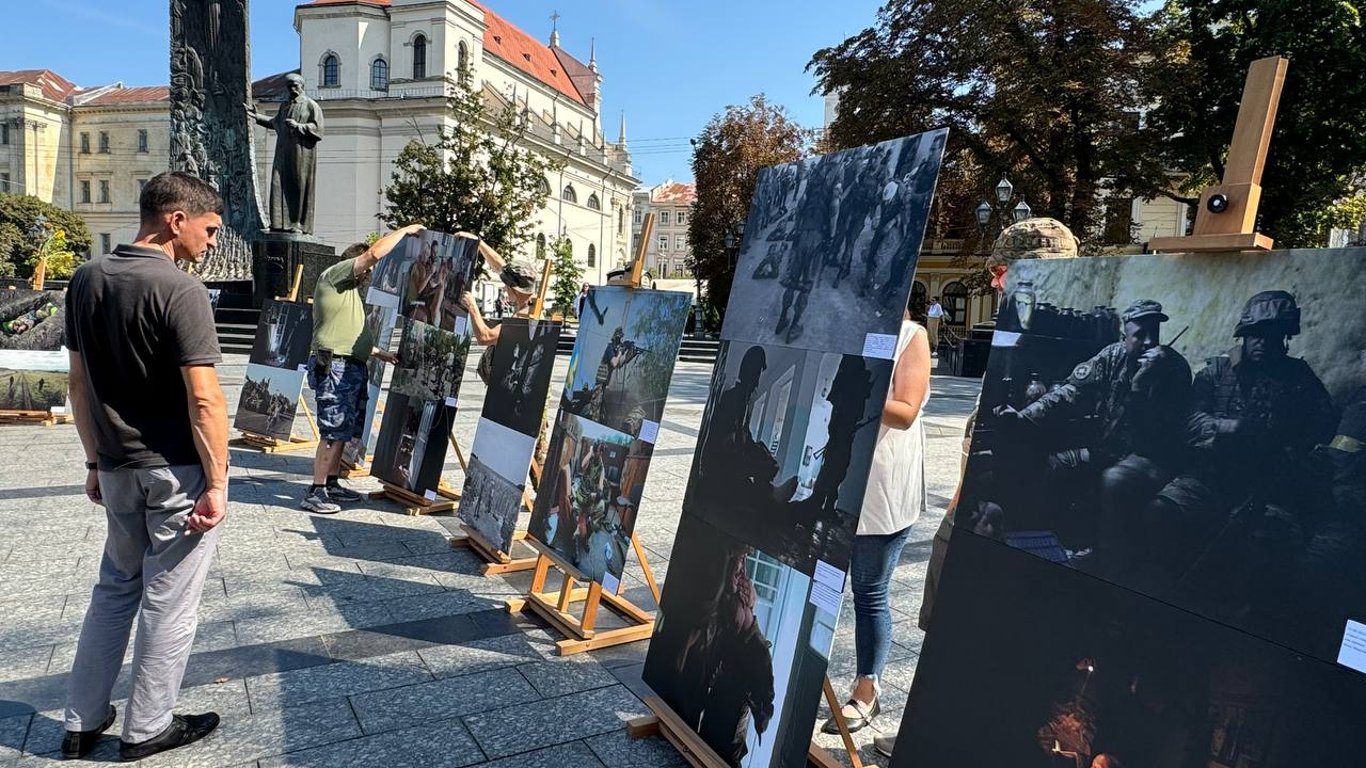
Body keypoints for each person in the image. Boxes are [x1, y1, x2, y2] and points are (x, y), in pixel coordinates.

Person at [873, 217, 1080, 758]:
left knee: (1006, 639)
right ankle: (931, 727)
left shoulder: (1071, 343)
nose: (994, 283)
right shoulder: (1018, 337)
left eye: (1004, 271)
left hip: (1029, 516)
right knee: (946, 628)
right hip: (975, 506)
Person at [60, 172, 229, 761]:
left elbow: (79, 386)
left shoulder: (85, 280)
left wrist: (93, 460)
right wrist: (217, 481)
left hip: (115, 465)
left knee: (113, 589)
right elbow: (204, 398)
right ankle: (147, 726)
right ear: (175, 220)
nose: (212, 243)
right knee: (168, 597)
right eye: (209, 230)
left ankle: (82, 722)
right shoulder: (180, 291)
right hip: (173, 467)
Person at [823, 310, 932, 735]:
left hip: (882, 490)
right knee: (822, 587)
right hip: (839, 479)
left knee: (868, 593)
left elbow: (905, 411)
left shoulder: (912, 335)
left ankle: (867, 690)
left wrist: (858, 397)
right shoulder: (846, 329)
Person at [301, 223, 424, 514]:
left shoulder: (350, 294)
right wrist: (405, 231)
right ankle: (316, 490)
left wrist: (382, 354)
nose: (369, 277)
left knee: (344, 430)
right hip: (336, 367)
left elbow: (349, 334)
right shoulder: (333, 277)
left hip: (351, 366)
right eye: (367, 272)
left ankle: (330, 482)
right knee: (332, 431)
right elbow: (372, 254)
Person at [245, 73, 323, 235]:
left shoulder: (310, 105)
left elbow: (318, 128)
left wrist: (298, 126)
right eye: (289, 86)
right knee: (278, 184)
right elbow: (275, 122)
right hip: (283, 153)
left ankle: (298, 224)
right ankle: (279, 224)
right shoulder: (285, 106)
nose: (292, 89)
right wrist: (257, 116)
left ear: (302, 85)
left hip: (301, 154)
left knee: (298, 187)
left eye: (295, 85)